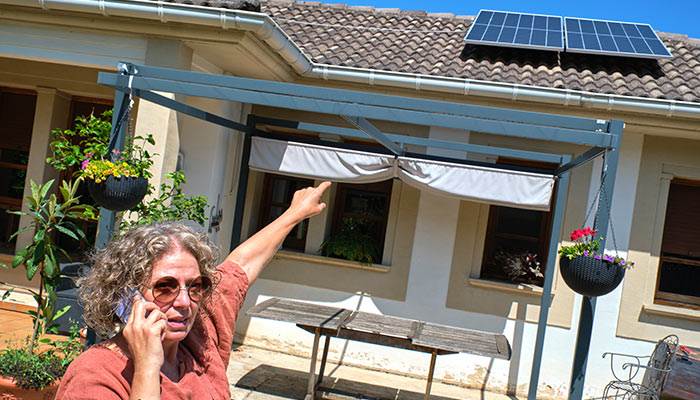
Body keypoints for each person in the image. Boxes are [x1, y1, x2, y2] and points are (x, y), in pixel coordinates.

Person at [56, 181, 331, 399]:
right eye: (165, 287)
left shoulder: (201, 335)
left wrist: (296, 213)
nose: (185, 301)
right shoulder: (97, 374)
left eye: (195, 286)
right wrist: (148, 366)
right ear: (127, 295)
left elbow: (242, 265)